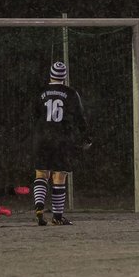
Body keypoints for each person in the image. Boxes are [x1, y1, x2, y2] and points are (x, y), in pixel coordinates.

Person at [33, 61, 91, 226]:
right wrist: (86, 136)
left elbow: (34, 114)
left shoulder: (41, 92)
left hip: (42, 137)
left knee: (41, 173)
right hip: (62, 138)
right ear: (64, 77)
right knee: (60, 175)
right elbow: (80, 116)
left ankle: (39, 205)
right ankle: (57, 217)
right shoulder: (71, 93)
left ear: (51, 75)